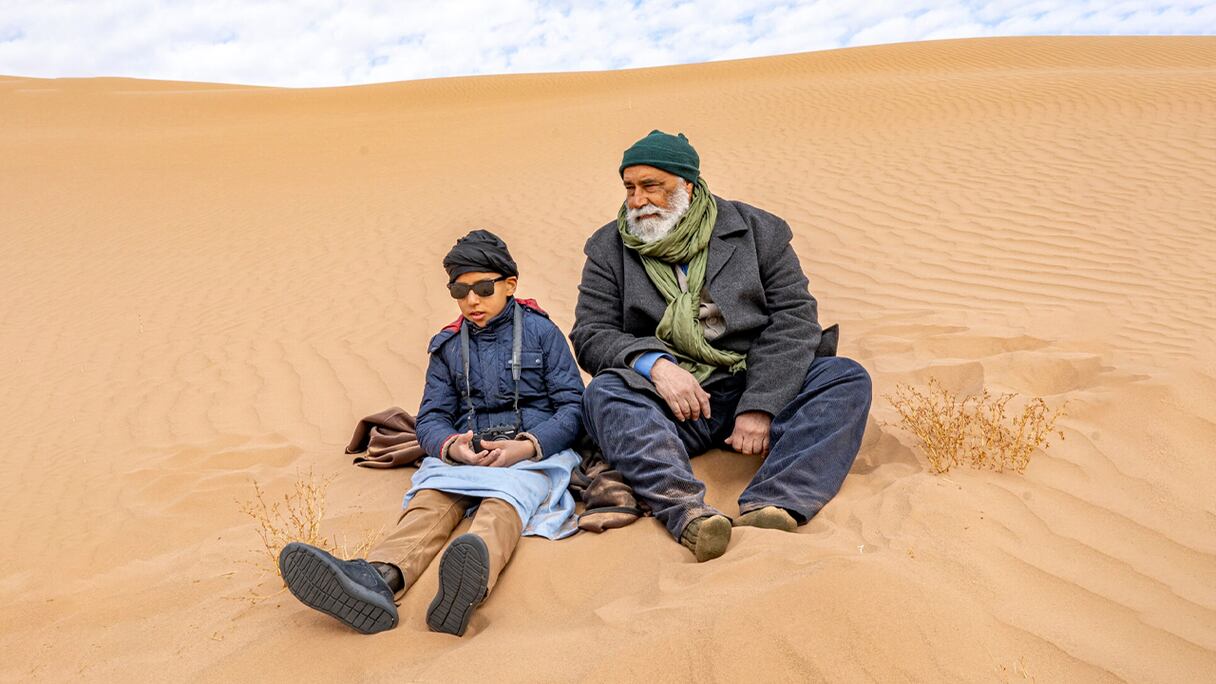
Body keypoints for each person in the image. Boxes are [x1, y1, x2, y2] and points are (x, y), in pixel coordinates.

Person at [571, 130, 872, 562]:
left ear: (688, 185)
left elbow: (795, 319)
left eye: (651, 186)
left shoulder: (757, 231)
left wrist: (762, 404)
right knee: (606, 393)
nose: (637, 200)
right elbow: (592, 333)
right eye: (629, 188)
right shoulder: (608, 248)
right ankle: (688, 513)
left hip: (754, 377)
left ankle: (776, 503)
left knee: (844, 378)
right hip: (677, 400)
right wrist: (655, 365)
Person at [279, 230, 584, 635]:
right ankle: (377, 579)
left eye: (483, 288)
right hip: (469, 453)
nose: (471, 300)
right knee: (430, 504)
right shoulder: (447, 346)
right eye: (460, 290)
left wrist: (525, 447)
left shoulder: (544, 334)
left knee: (502, 507)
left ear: (510, 285)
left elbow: (573, 407)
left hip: (531, 455)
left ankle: (464, 587)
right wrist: (452, 447)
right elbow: (431, 418)